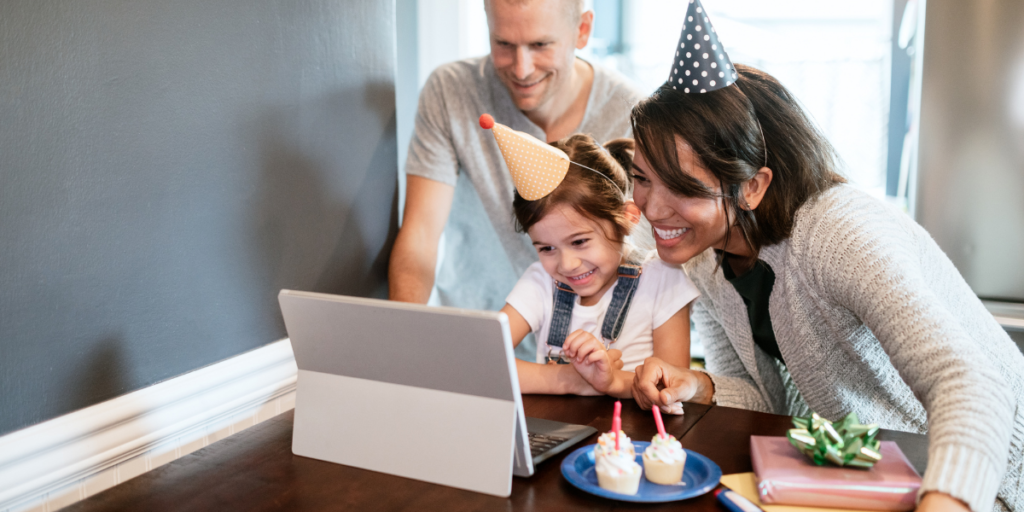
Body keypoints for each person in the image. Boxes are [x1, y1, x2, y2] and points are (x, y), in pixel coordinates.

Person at [626, 2, 1024, 511]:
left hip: (983, 483)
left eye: (682, 186)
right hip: (869, 478)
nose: (652, 208)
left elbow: (971, 383)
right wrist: (699, 385)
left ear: (752, 186)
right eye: (641, 177)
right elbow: (763, 400)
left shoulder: (838, 231)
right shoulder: (704, 257)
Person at [388, 0, 645, 361]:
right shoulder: (451, 91)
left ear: (582, 30)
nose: (522, 69)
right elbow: (420, 234)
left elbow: (638, 254)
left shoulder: (632, 112)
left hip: (588, 355)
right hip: (477, 340)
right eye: (504, 44)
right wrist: (402, 338)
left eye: (541, 45)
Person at [486, 128, 698, 401]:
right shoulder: (540, 281)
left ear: (627, 217)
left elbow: (672, 386)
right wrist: (569, 380)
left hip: (637, 440)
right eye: (547, 248)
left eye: (579, 242)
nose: (568, 264)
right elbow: (481, 362)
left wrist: (611, 382)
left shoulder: (664, 279)